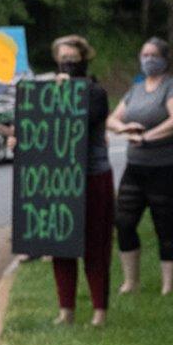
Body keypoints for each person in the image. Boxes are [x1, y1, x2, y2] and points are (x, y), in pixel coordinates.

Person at [107, 37, 173, 295]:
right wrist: (125, 129)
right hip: (135, 167)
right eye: (144, 55)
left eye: (154, 55)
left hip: (167, 167)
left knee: (164, 225)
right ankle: (131, 282)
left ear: (165, 59)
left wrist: (148, 137)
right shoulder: (136, 89)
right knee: (123, 221)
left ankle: (168, 287)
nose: (148, 59)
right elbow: (112, 119)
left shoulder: (172, 86)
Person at [47, 35, 115, 327]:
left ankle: (99, 310)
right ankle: (66, 310)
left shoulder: (96, 92)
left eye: (73, 59)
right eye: (63, 59)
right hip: (61, 179)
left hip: (93, 176)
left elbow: (81, 123)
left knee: (95, 245)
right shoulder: (48, 91)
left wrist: (68, 93)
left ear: (84, 60)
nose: (67, 64)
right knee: (61, 245)